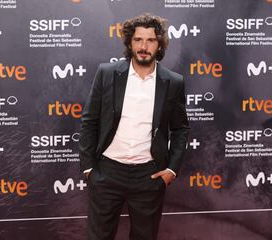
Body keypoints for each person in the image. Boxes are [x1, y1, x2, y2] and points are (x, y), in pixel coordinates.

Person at [78, 13, 189, 240]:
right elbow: (89, 121)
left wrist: (171, 170)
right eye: (138, 39)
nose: (143, 46)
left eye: (150, 40)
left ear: (159, 45)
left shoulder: (173, 82)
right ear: (130, 42)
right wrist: (89, 169)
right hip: (107, 172)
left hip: (148, 176)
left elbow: (180, 129)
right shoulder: (107, 73)